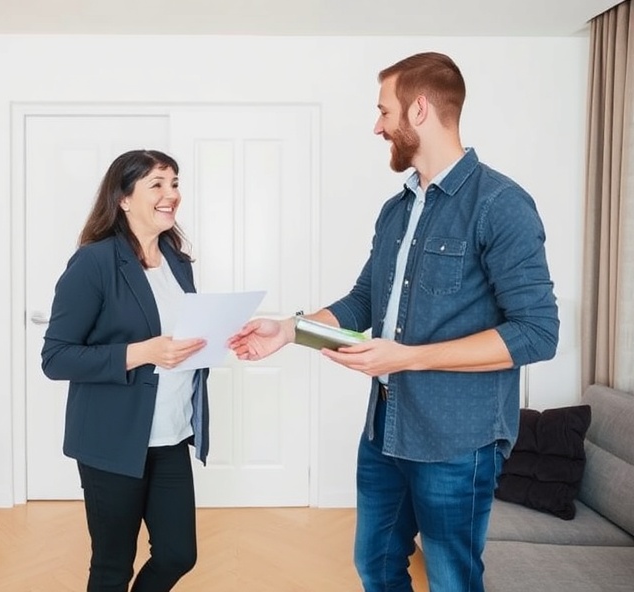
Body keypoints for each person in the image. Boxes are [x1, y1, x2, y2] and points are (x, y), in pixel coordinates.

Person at [228, 52, 559, 592]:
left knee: (452, 580)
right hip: (386, 428)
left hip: (458, 441)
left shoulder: (500, 204)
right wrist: (288, 330)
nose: (378, 126)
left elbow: (538, 332)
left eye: (384, 111)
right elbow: (365, 301)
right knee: (376, 566)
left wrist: (409, 358)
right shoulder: (397, 210)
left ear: (419, 109)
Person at [41, 149, 210, 592]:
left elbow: (179, 336)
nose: (171, 194)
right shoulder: (94, 262)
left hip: (171, 434)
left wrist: (217, 338)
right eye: (157, 184)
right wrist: (142, 352)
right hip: (112, 439)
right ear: (123, 198)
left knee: (178, 554)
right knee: (112, 566)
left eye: (175, 183)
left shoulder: (177, 261)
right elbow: (56, 357)